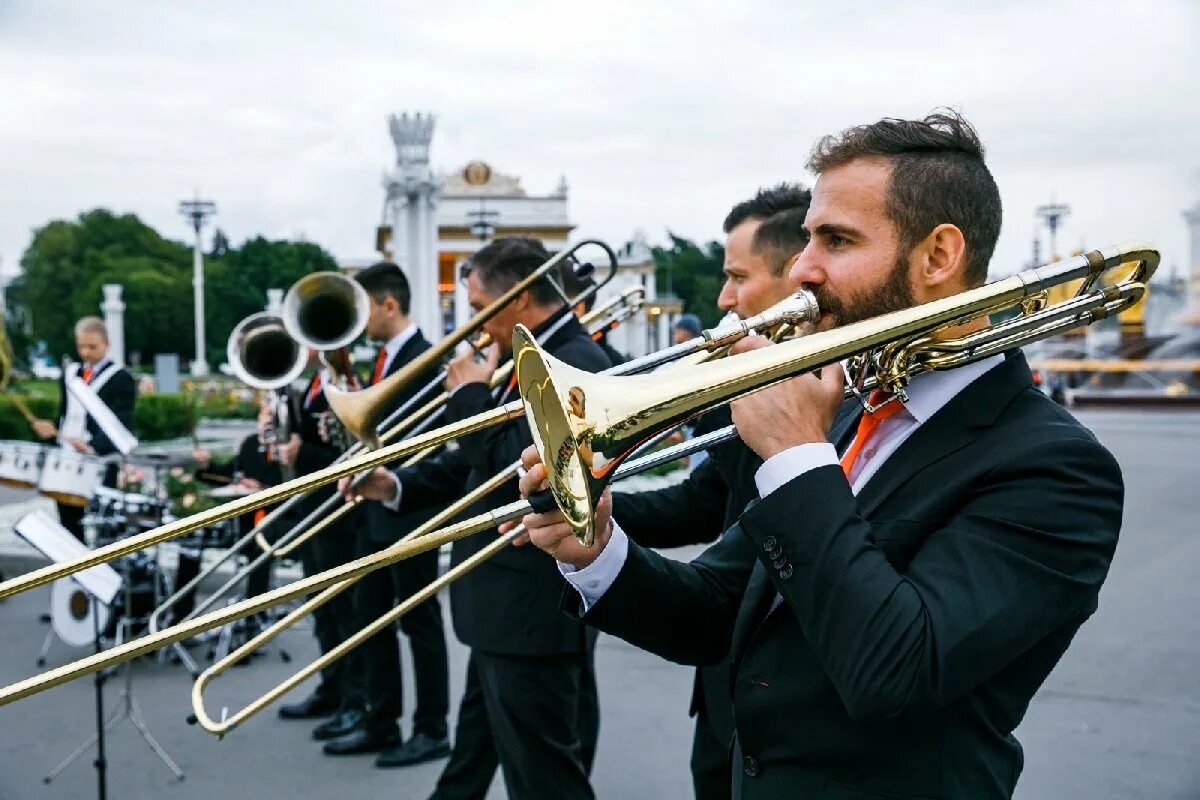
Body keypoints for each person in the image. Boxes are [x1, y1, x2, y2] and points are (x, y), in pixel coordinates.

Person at [518, 111, 1124, 799]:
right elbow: (720, 606)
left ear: (938, 256)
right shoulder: (845, 415)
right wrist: (597, 552)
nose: (803, 268)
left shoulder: (1057, 468)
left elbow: (897, 674)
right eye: (809, 238)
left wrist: (796, 454)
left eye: (836, 240)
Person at [350, 237, 609, 800]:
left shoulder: (574, 361)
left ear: (515, 299)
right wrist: (393, 484)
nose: (473, 324)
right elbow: (477, 473)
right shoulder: (528, 352)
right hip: (502, 612)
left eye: (477, 308)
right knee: (472, 758)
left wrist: (468, 397)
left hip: (530, 612)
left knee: (545, 779)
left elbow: (519, 474)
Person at [611, 183, 810, 800]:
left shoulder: (835, 396)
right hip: (723, 693)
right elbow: (705, 501)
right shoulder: (754, 384)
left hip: (796, 715)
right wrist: (602, 518)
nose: (724, 298)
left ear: (798, 277)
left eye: (736, 277)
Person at [322, 261, 452, 766]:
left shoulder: (425, 358)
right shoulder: (379, 360)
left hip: (411, 509)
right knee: (369, 617)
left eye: (362, 309)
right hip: (374, 510)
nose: (358, 322)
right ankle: (381, 719)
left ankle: (431, 728)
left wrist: (389, 480)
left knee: (418, 622)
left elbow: (430, 446)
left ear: (388, 304)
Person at [269, 351, 370, 746]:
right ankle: (332, 686)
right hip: (313, 509)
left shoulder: (344, 382)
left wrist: (301, 453)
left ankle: (353, 697)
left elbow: (349, 453)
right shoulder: (311, 384)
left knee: (343, 609)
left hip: (338, 514)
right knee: (322, 605)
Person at [32, 317, 135, 542]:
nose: (86, 353)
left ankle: (106, 571)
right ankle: (72, 573)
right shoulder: (70, 374)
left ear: (106, 345)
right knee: (69, 524)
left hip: (100, 460)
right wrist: (51, 430)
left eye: (92, 347)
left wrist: (93, 446)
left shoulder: (121, 377)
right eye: (81, 346)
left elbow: (121, 422)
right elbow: (66, 413)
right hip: (66, 457)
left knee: (105, 524)